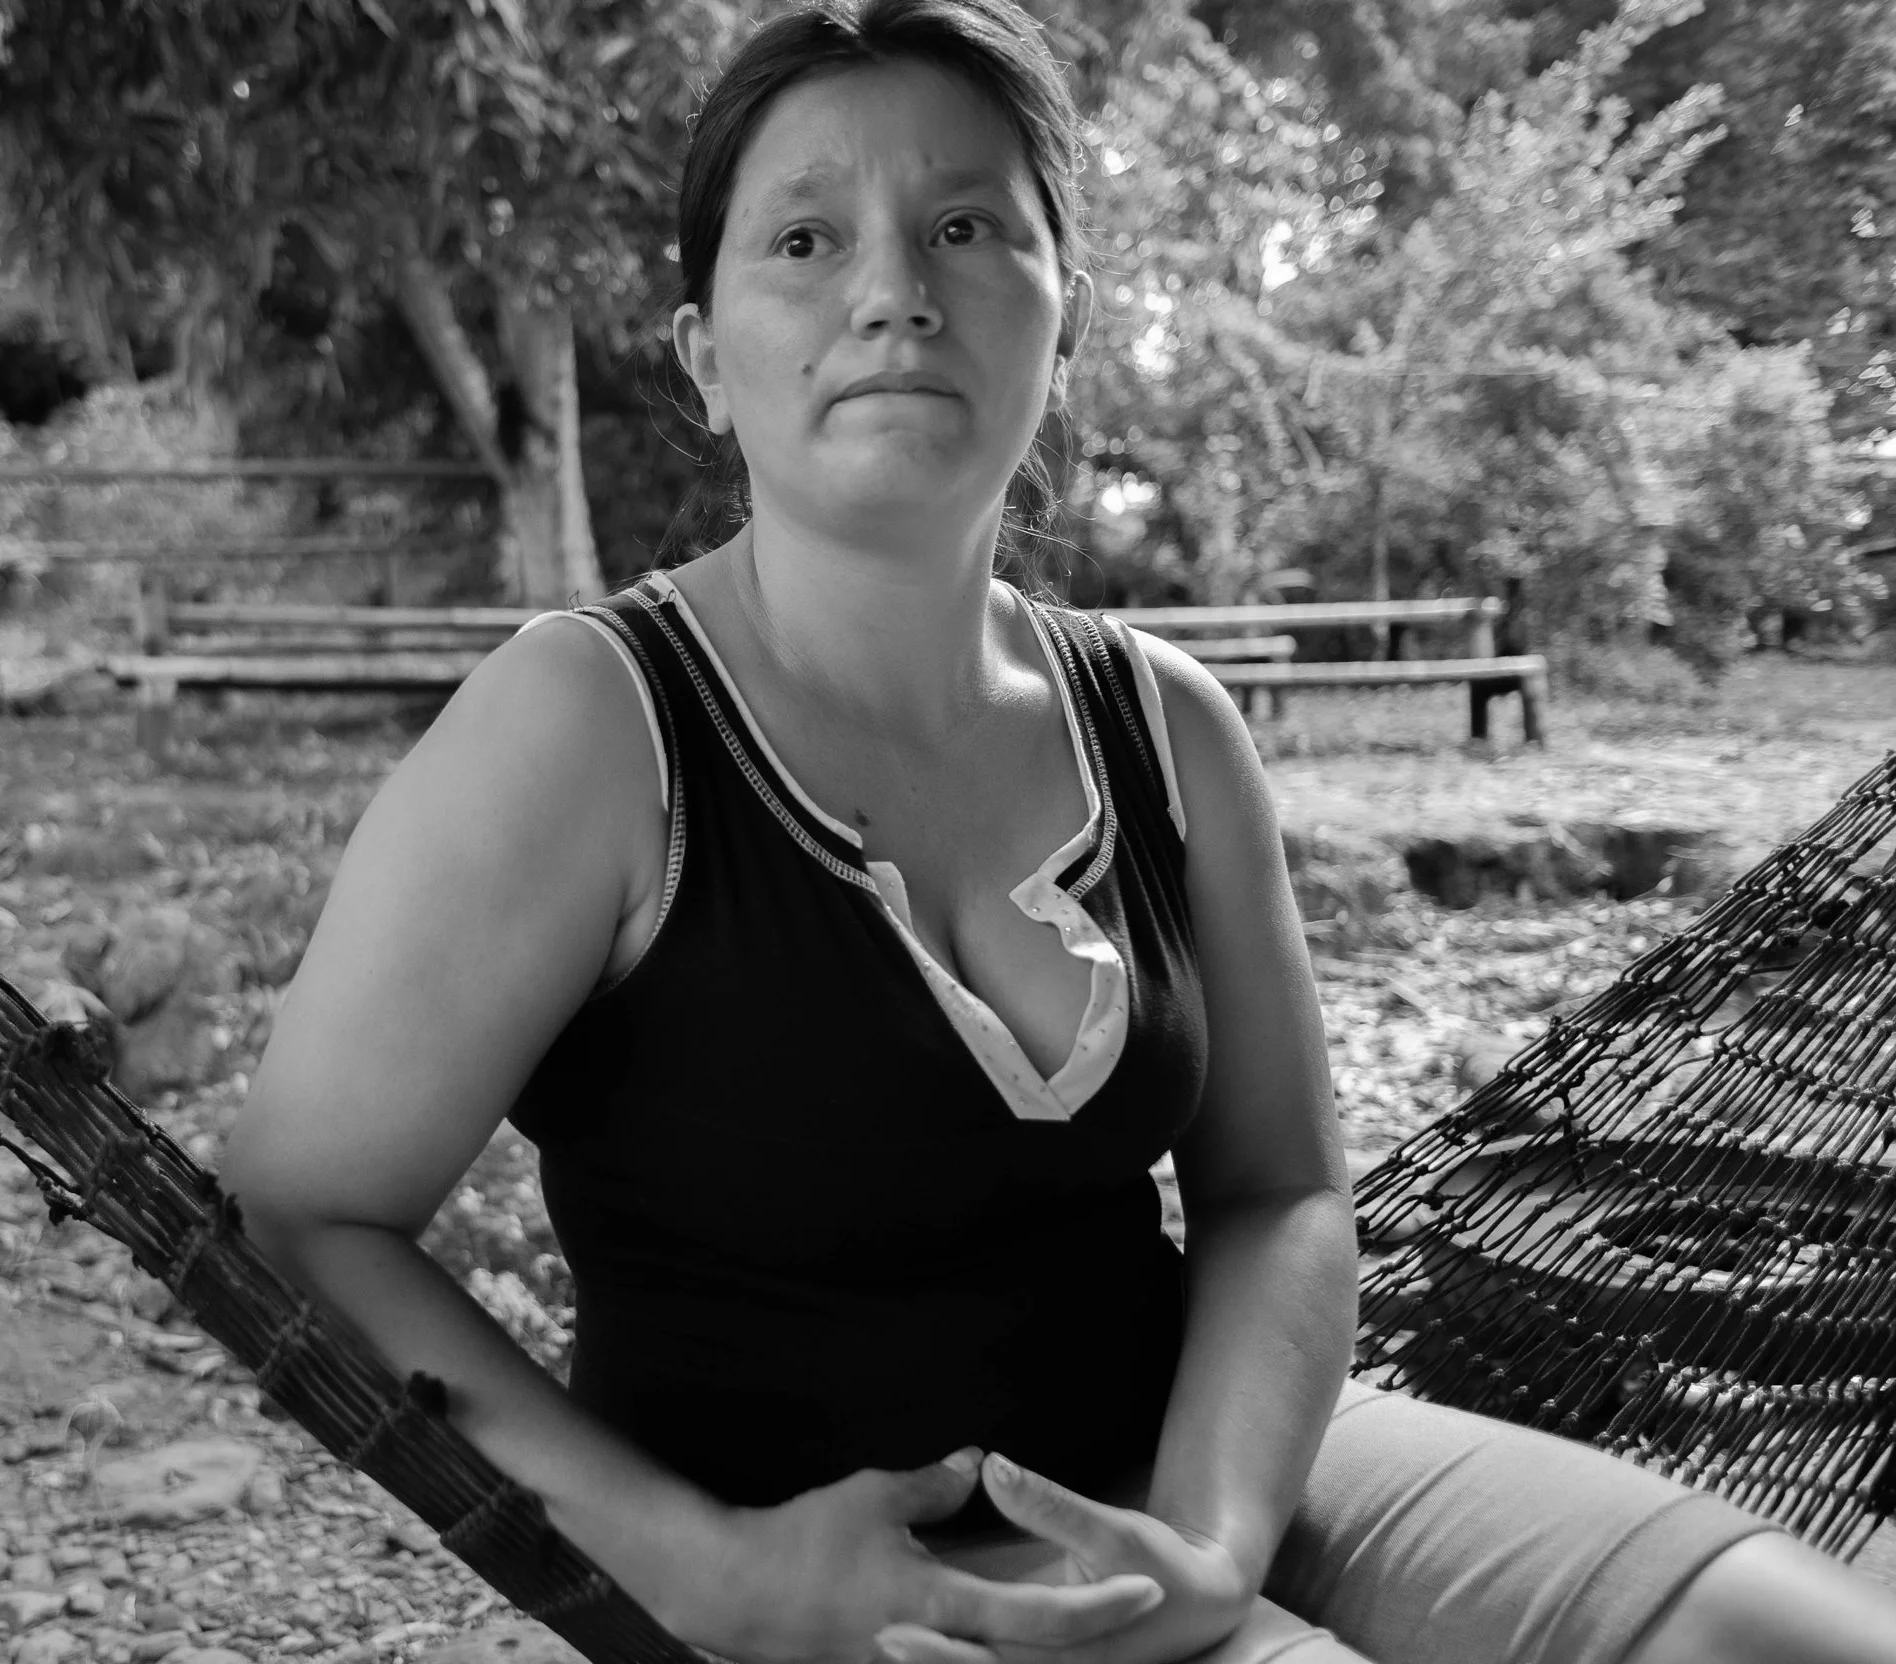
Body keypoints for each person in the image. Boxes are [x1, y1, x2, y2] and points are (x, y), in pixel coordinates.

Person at [220, 1, 1896, 1658]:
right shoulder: (591, 724)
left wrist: (1214, 1537)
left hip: (1199, 1459)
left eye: (965, 226)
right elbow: (306, 1218)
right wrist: (710, 1568)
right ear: (701, 358)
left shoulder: (1160, 723)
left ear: (1065, 321)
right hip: (843, 1571)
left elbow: (1280, 1196)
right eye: (804, 238)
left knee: (1788, 1634)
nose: (891, 293)